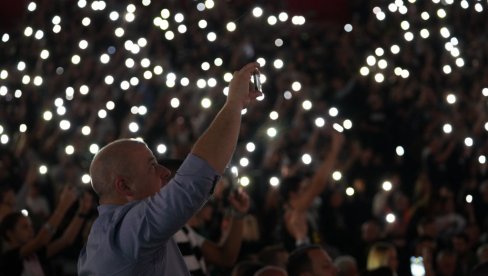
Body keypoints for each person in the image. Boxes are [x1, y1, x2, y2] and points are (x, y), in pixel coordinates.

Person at [77, 62, 262, 275]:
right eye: (152, 167)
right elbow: (194, 180)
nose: (165, 172)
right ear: (124, 185)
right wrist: (234, 103)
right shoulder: (127, 233)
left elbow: (224, 256)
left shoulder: (117, 233)